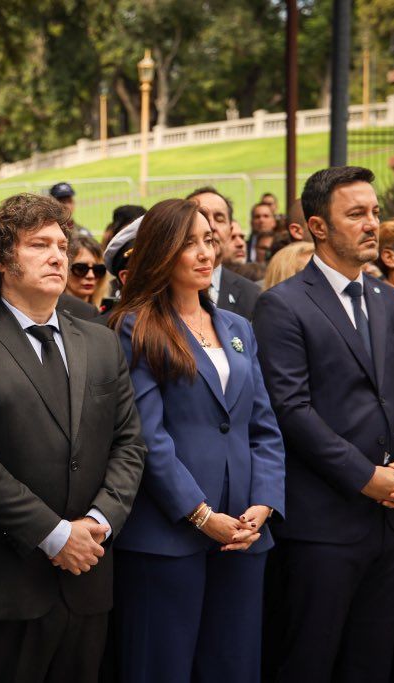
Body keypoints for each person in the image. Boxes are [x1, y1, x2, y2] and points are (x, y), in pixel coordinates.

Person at [0, 192, 145, 683]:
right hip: (1, 587)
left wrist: (98, 522)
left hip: (88, 576)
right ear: (1, 261)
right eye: (39, 245)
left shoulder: (100, 341)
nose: (57, 256)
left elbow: (129, 442)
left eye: (62, 246)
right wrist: (55, 534)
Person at [252, 166, 394, 683]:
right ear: (318, 226)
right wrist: (365, 476)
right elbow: (291, 410)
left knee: (372, 663)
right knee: (309, 662)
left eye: (374, 212)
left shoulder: (387, 300)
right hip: (323, 524)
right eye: (356, 214)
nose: (372, 223)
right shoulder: (282, 305)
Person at [108, 199, 285, 683]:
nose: (207, 252)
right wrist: (201, 515)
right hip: (168, 533)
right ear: (161, 251)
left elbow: (263, 426)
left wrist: (264, 502)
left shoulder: (238, 327)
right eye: (190, 243)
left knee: (234, 664)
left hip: (244, 532)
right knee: (161, 667)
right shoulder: (134, 325)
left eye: (209, 239)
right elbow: (147, 436)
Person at [186, 187, 261, 318]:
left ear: (230, 230)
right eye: (201, 217)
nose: (211, 226)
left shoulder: (252, 295)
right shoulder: (160, 294)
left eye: (219, 218)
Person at [66, 234, 109, 309]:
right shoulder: (49, 312)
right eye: (81, 269)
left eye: (98, 270)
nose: (91, 276)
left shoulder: (111, 311)